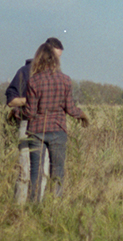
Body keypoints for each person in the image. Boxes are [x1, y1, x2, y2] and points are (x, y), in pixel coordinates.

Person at [23, 42, 88, 202]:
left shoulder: (34, 81)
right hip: (58, 130)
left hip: (37, 131)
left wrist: (16, 113)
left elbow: (30, 112)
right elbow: (70, 108)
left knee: (36, 171)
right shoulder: (65, 80)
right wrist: (82, 115)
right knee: (57, 170)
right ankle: (55, 205)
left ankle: (34, 207)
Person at [5, 37, 64, 203]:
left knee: (43, 172)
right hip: (26, 124)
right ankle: (19, 210)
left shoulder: (56, 76)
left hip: (48, 126)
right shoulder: (24, 72)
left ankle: (36, 209)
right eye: (55, 56)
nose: (57, 61)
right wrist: (31, 99)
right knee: (25, 170)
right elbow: (11, 100)